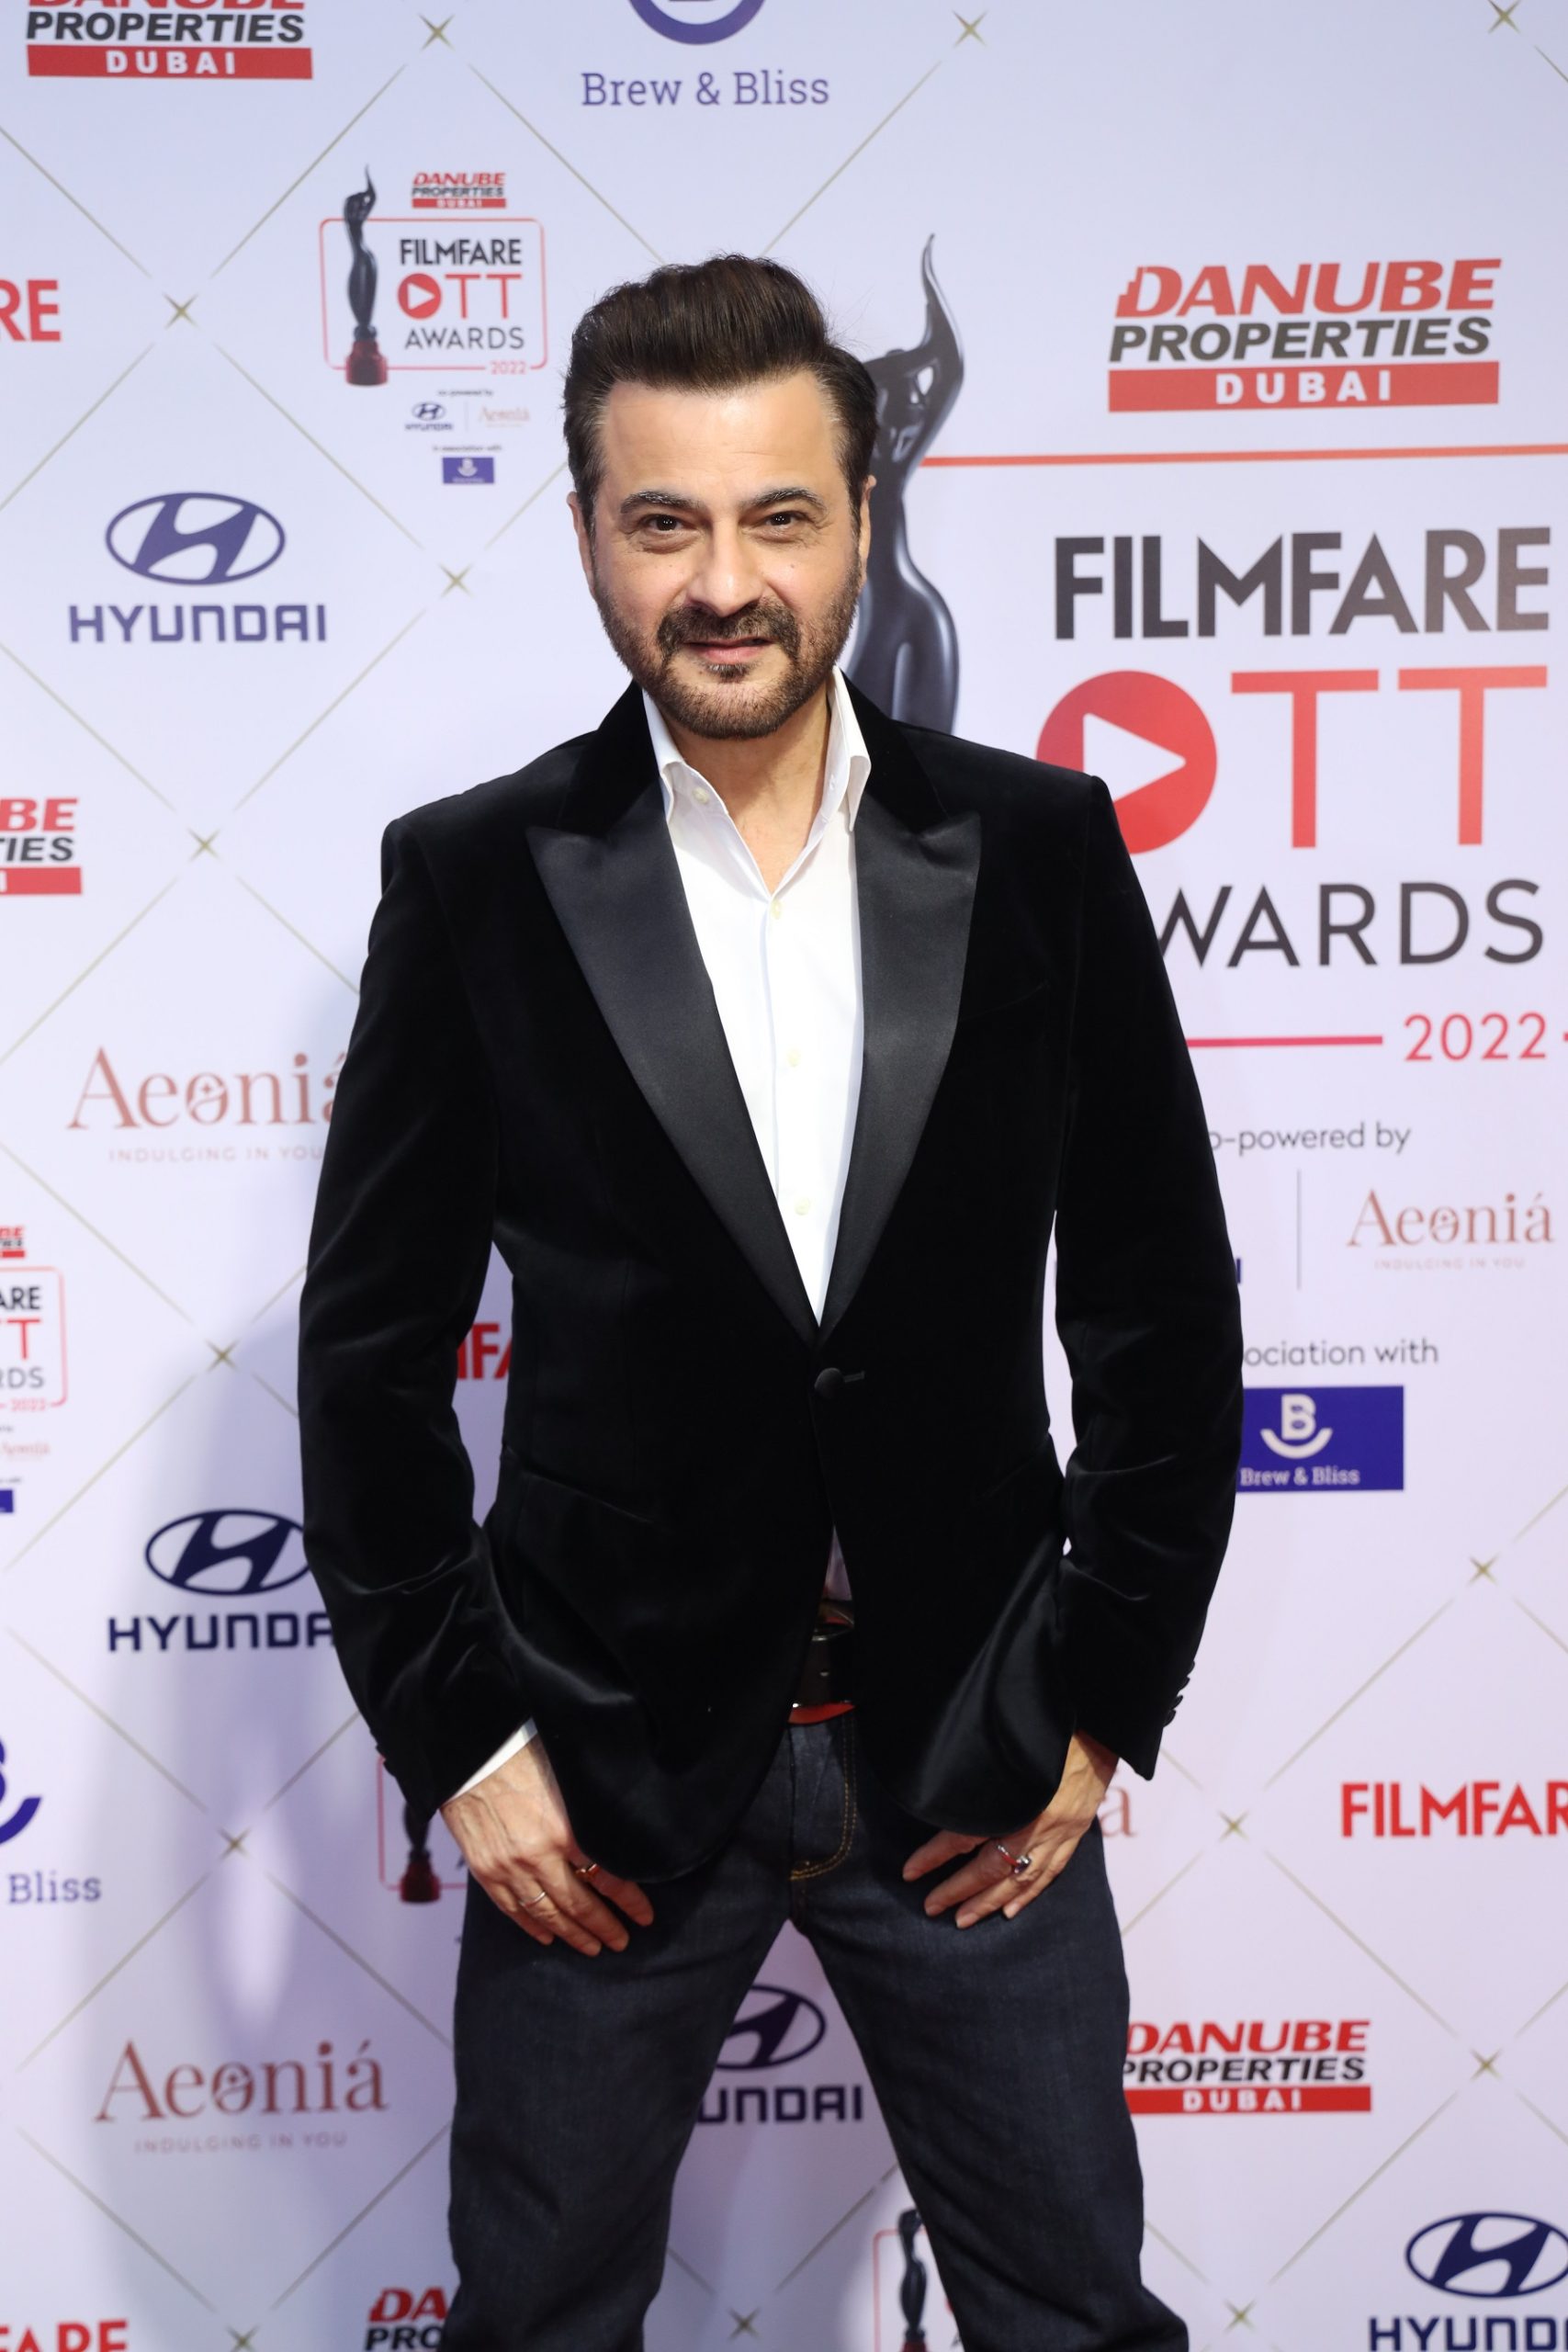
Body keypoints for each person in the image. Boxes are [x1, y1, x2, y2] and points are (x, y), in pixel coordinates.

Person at [298, 253, 1243, 2351]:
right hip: (599, 1775)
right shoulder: (473, 880)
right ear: (586, 535)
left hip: (976, 1750)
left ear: (861, 523)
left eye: (775, 517)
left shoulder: (1039, 847)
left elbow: (1163, 1312)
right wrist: (464, 1740)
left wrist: (1100, 1696)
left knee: (1076, 2318)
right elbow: (367, 1368)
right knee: (537, 2320)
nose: (723, 582)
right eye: (664, 521)